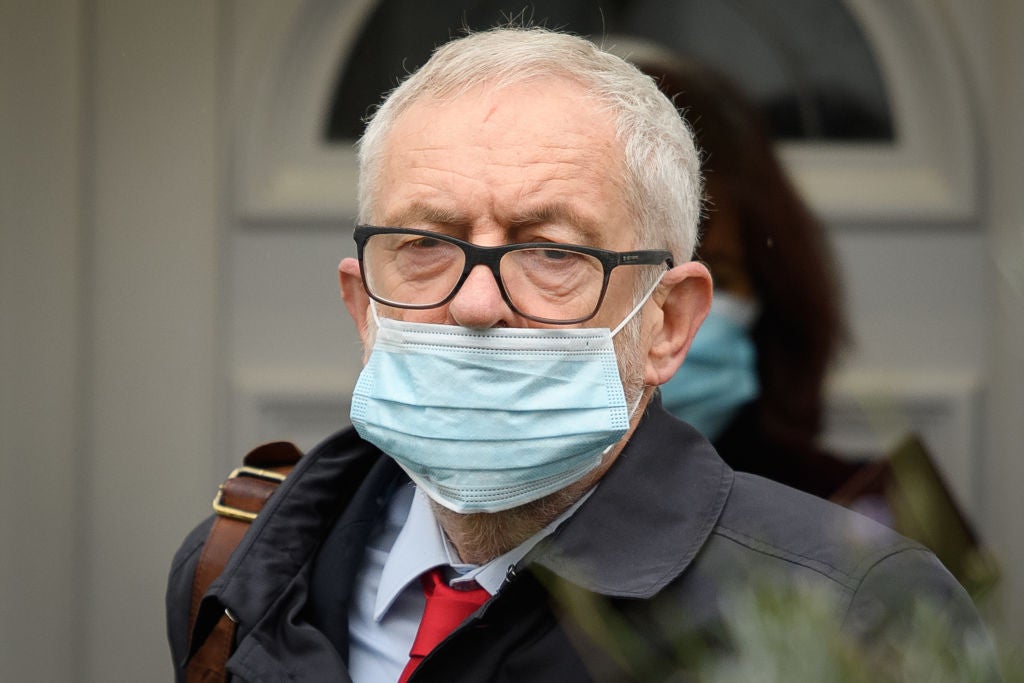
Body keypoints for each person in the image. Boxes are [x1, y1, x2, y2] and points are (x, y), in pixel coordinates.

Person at [167, 27, 997, 682]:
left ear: (667, 321)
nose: (475, 302)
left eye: (553, 251)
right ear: (361, 303)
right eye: (423, 241)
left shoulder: (854, 608)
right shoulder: (238, 568)